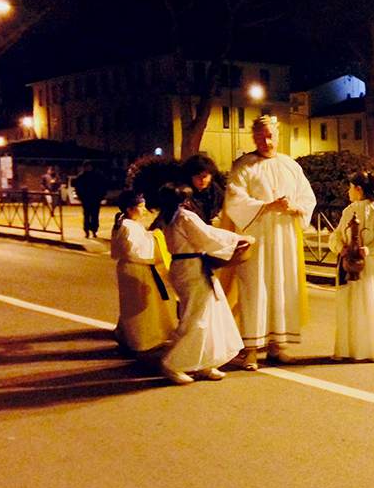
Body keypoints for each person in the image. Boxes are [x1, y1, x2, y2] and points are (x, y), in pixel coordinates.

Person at [222, 115, 316, 369]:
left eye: (270, 136)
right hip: (257, 238)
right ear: (253, 138)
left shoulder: (290, 165)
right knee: (254, 290)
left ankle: (277, 345)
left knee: (283, 287)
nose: (266, 141)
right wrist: (268, 206)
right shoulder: (244, 166)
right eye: (260, 137)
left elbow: (307, 197)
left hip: (285, 237)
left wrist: (295, 208)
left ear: (278, 135)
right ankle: (250, 349)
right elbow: (234, 200)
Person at [157, 183, 249, 385]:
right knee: (198, 317)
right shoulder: (184, 217)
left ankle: (205, 361)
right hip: (193, 268)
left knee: (210, 313)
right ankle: (172, 363)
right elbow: (207, 236)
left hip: (184, 266)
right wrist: (237, 239)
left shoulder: (167, 217)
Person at [328, 171, 374, 362]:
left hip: (368, 265)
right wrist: (341, 248)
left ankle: (369, 349)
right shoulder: (348, 210)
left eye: (350, 188)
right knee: (348, 305)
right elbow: (337, 235)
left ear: (358, 189)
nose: (348, 192)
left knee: (367, 304)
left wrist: (368, 250)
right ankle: (348, 349)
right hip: (347, 264)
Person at [110, 190, 177, 354]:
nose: (144, 210)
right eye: (141, 206)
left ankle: (126, 336)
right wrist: (155, 238)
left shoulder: (128, 224)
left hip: (135, 268)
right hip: (135, 268)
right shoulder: (127, 226)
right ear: (129, 209)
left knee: (134, 306)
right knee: (139, 308)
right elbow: (136, 250)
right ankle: (139, 341)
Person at [180, 154, 226, 224]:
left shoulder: (214, 189)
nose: (202, 180)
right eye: (198, 176)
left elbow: (224, 205)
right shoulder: (185, 193)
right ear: (190, 176)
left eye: (205, 176)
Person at [72, 162, 108, 238]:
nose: (88, 168)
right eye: (86, 166)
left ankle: (94, 230)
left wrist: (101, 196)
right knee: (86, 216)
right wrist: (81, 197)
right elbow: (78, 188)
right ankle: (87, 231)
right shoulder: (81, 177)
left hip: (95, 199)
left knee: (95, 216)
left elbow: (103, 186)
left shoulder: (97, 176)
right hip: (86, 200)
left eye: (89, 166)